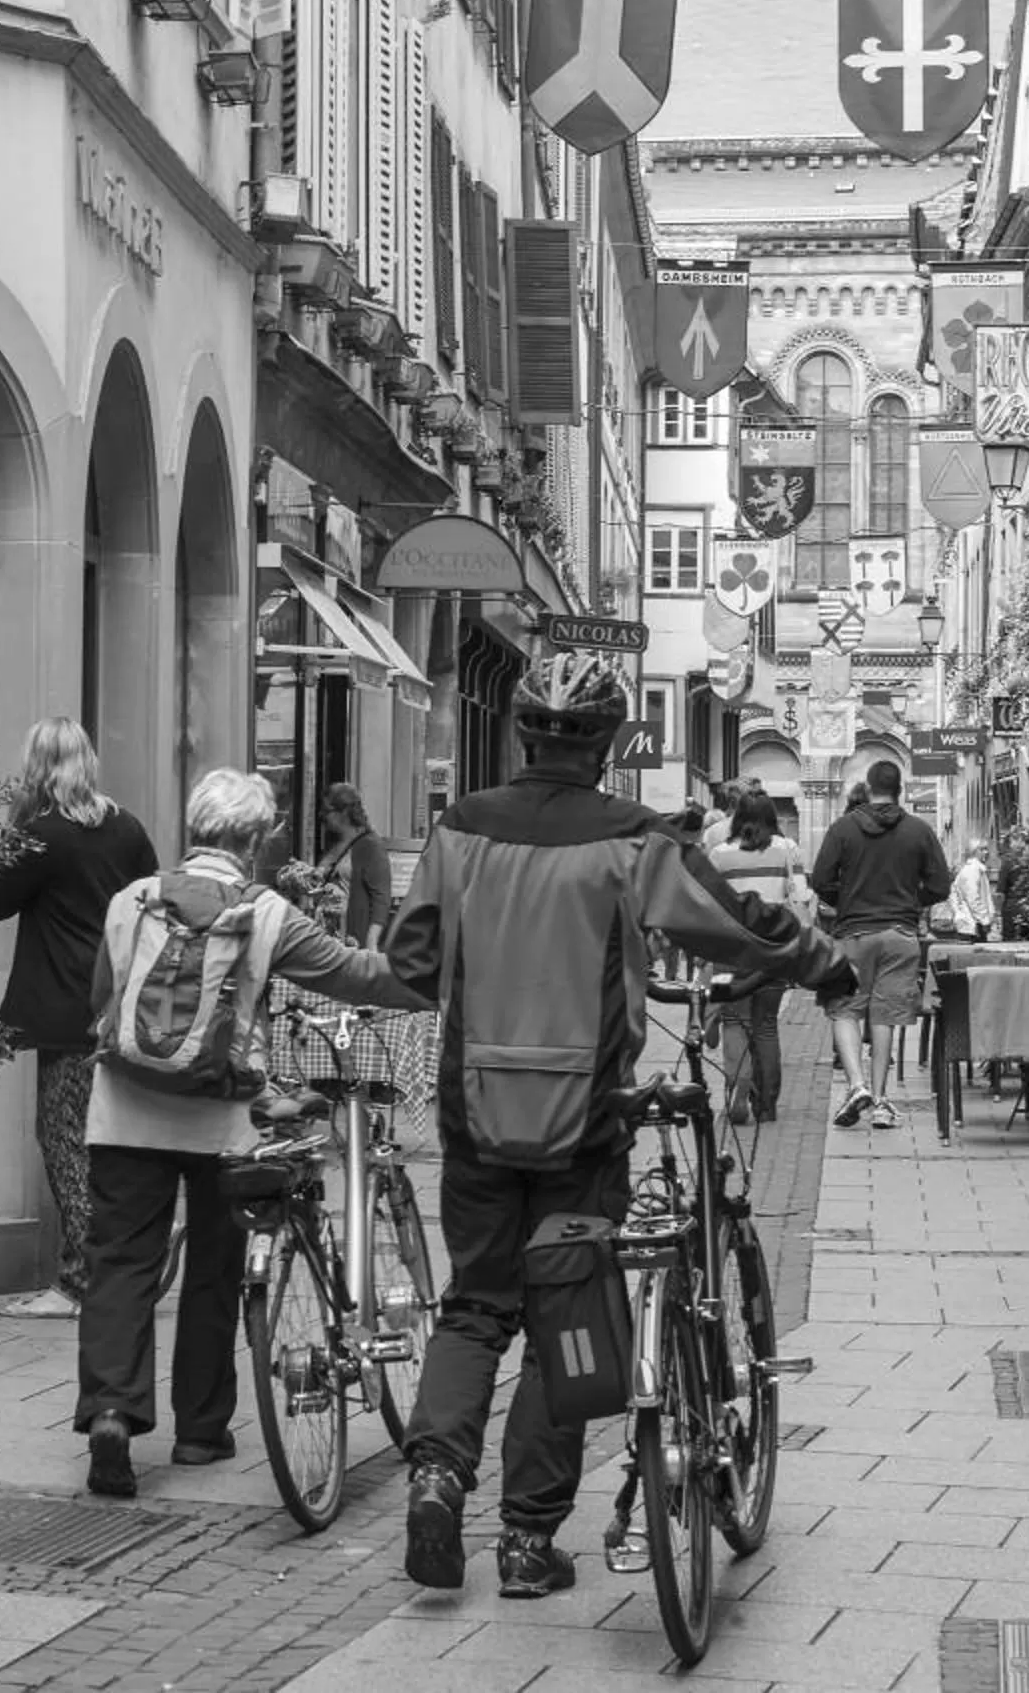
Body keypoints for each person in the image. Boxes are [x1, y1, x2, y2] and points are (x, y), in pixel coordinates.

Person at [383, 656, 850, 1599]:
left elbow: (413, 955)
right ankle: (524, 1539)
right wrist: (820, 961)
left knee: (476, 1306)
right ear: (604, 744)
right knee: (567, 1321)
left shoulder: (460, 827)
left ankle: (436, 1476)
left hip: (474, 1114)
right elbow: (734, 920)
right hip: (584, 1120)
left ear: (521, 735)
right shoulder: (631, 838)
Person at [76, 769, 421, 1499]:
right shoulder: (268, 914)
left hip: (122, 1111)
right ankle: (200, 1430)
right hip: (221, 1120)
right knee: (214, 1270)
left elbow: (103, 1003)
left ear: (193, 827)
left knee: (120, 1265)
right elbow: (355, 974)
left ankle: (111, 1410)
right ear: (259, 839)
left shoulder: (130, 901)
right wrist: (444, 974)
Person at [0, 718, 160, 1321]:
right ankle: (125, 1267)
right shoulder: (126, 826)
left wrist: (13, 826)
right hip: (119, 1002)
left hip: (65, 1007)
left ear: (38, 767)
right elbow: (150, 898)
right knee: (107, 1142)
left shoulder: (43, 834)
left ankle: (81, 1282)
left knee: (62, 1139)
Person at [808, 760, 951, 1130]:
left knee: (844, 1010)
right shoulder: (919, 830)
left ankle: (856, 1086)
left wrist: (848, 899)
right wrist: (909, 899)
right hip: (901, 935)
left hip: (854, 934)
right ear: (900, 788)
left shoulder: (843, 829)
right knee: (885, 1015)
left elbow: (821, 878)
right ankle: (882, 1100)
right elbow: (940, 886)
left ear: (869, 788)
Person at [707, 791, 808, 1122]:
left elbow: (705, 902)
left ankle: (738, 1088)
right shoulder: (787, 850)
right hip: (773, 951)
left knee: (733, 1021)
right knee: (766, 1026)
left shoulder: (719, 855)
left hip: (727, 953)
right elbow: (801, 898)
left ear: (737, 819)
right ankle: (766, 1104)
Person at [314, 783, 396, 947]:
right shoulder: (333, 844)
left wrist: (371, 943)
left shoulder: (370, 846)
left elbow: (381, 899)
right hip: (327, 939)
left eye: (327, 811)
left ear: (343, 812)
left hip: (353, 941)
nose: (321, 816)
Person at [942, 843, 997, 943]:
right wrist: (984, 920)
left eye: (987, 849)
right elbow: (973, 899)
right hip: (971, 926)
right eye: (982, 849)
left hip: (974, 924)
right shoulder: (972, 870)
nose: (986, 852)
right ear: (974, 851)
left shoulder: (978, 869)